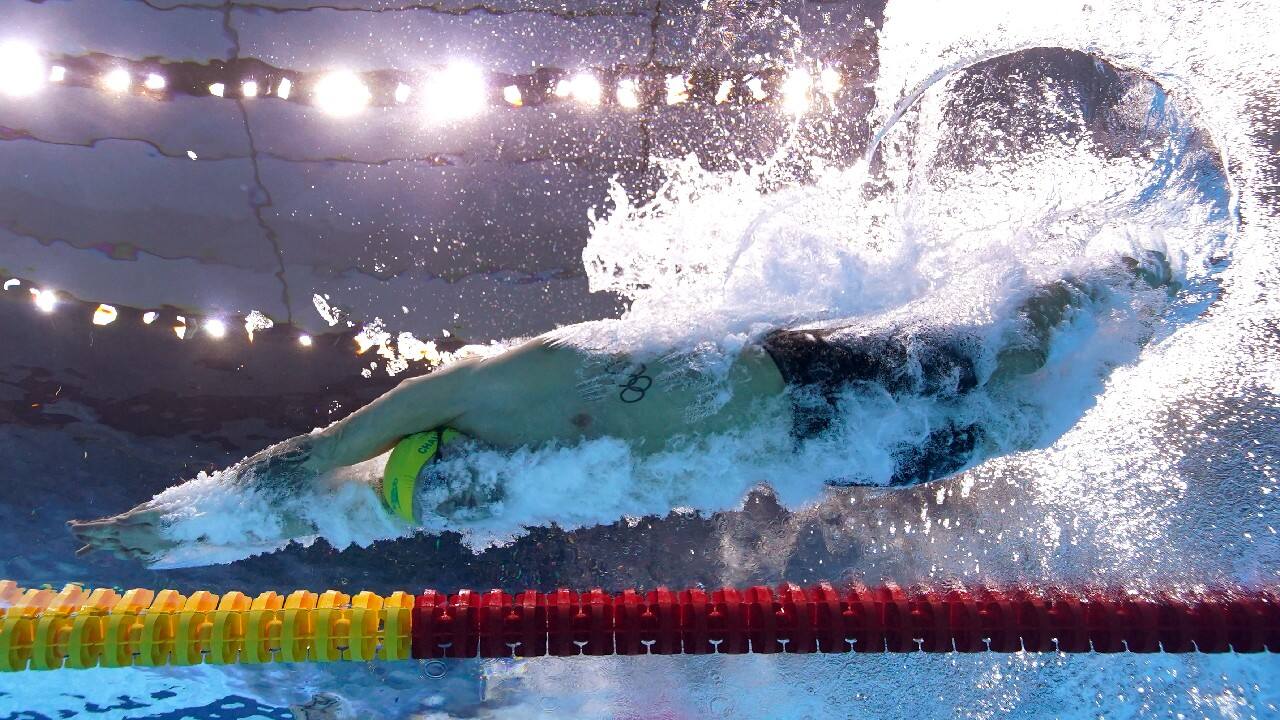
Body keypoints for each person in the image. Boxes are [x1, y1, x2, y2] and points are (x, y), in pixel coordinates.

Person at [68, 252, 1174, 562]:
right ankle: (1148, 347)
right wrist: (200, 540)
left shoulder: (487, 386)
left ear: (433, 444)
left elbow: (317, 454)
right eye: (452, 502)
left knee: (994, 351)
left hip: (804, 377)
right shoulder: (547, 481)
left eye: (443, 478)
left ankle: (1138, 264)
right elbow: (315, 504)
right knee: (1008, 429)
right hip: (825, 445)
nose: (466, 495)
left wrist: (176, 504)